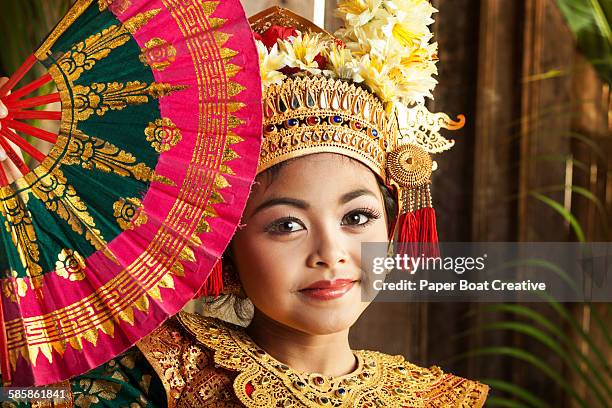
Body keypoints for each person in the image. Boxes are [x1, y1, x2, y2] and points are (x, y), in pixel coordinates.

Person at [1, 2, 489, 407]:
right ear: (227, 241)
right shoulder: (153, 376)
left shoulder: (440, 399)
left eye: (357, 217)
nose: (331, 252)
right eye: (286, 225)